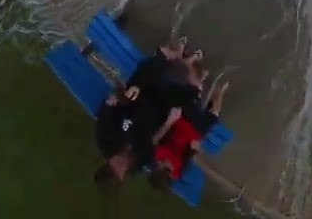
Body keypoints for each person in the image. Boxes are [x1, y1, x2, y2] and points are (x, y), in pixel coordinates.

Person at [92, 36, 197, 190]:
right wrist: (168, 123)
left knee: (147, 73)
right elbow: (154, 141)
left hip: (136, 96)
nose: (120, 164)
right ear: (123, 178)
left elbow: (110, 104)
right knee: (191, 95)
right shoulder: (139, 164)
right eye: (119, 172)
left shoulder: (105, 139)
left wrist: (122, 95)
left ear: (106, 162)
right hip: (158, 110)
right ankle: (183, 64)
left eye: (113, 165)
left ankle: (172, 55)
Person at [147, 80, 230, 191]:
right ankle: (220, 92)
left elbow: (157, 138)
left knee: (195, 100)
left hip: (183, 123)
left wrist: (171, 121)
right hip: (195, 134)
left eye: (167, 168)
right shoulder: (177, 172)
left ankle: (201, 84)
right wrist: (194, 150)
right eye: (170, 171)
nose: (170, 167)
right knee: (214, 116)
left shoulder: (157, 155)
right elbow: (188, 158)